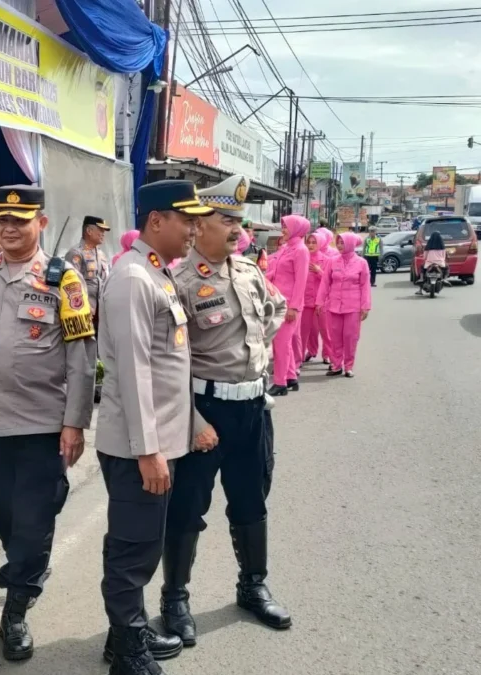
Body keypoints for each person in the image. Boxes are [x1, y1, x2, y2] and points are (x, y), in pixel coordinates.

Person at [0, 185, 96, 662]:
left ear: (41, 224)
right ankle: (29, 563)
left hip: (42, 427)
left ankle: (15, 607)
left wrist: (74, 424)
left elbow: (82, 360)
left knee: (32, 519)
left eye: (21, 220)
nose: (10, 229)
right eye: (3, 221)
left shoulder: (63, 280)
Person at [163, 175, 291, 649]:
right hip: (204, 411)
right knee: (188, 509)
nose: (237, 229)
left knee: (251, 501)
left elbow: (276, 310)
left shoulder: (249, 271)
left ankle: (252, 586)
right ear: (198, 225)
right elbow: (169, 362)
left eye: (239, 220)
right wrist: (193, 419)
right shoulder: (177, 282)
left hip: (252, 409)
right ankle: (175, 599)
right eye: (227, 219)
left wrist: (255, 357)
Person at [96, 180, 212, 675]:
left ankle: (128, 629)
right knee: (132, 548)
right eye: (186, 220)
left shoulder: (155, 274)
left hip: (158, 439)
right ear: (155, 221)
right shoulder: (133, 279)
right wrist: (149, 450)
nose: (194, 229)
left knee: (142, 542)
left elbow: (169, 366)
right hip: (136, 447)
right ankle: (127, 651)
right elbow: (134, 369)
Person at [266, 216, 310, 396]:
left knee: (280, 343)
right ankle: (291, 377)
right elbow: (274, 272)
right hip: (278, 302)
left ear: (297, 229)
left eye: (286, 227)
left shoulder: (301, 250)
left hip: (289, 305)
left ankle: (280, 382)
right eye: (283, 227)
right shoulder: (285, 248)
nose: (283, 230)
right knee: (284, 343)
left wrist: (294, 307)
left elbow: (301, 281)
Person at [317, 232, 371, 378]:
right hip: (334, 305)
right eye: (338, 243)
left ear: (351, 244)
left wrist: (365, 306)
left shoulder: (361, 263)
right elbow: (325, 283)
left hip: (353, 306)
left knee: (350, 336)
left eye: (343, 243)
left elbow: (365, 285)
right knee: (335, 336)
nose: (340, 246)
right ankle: (336, 365)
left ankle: (348, 366)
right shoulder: (332, 261)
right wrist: (320, 302)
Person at [64, 216, 112, 329]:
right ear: (89, 231)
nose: (103, 234)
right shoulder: (76, 253)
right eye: (100, 230)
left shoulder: (101, 254)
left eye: (104, 231)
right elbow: (71, 284)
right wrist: (84, 307)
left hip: (101, 313)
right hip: (84, 312)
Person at [301, 230, 330, 363]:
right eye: (309, 242)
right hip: (306, 300)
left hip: (321, 301)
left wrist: (319, 271)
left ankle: (327, 354)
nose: (311, 245)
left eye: (314, 242)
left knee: (325, 330)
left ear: (320, 244)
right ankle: (305, 353)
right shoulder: (302, 257)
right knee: (306, 330)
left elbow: (331, 280)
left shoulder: (327, 260)